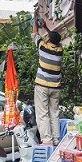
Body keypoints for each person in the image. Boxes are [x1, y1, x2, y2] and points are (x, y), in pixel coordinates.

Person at [33, 16, 63, 146]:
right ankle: (56, 140)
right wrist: (45, 27)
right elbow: (55, 38)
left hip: (42, 86)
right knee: (54, 114)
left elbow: (35, 34)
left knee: (42, 114)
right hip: (55, 88)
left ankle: (47, 141)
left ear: (49, 39)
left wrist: (35, 21)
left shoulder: (43, 48)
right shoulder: (60, 50)